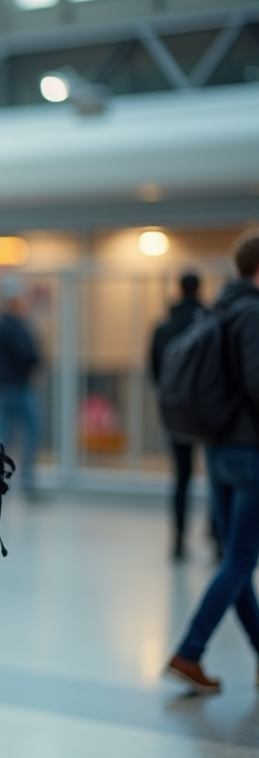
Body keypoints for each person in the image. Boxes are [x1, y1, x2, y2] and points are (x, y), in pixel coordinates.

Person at [165, 229, 259, 695]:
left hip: (220, 450)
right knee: (241, 557)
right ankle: (190, 650)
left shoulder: (221, 307)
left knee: (235, 558)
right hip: (249, 453)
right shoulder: (253, 312)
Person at [150, 273, 208, 560]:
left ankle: (178, 540)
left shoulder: (164, 327)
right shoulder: (210, 323)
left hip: (176, 413)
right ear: (200, 289)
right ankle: (218, 539)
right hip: (210, 413)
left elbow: (154, 372)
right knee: (214, 477)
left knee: (182, 477)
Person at [0, 280, 41, 497]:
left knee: (1, 435)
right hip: (18, 388)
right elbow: (27, 355)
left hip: (2, 388)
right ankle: (25, 482)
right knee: (30, 432)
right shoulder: (15, 327)